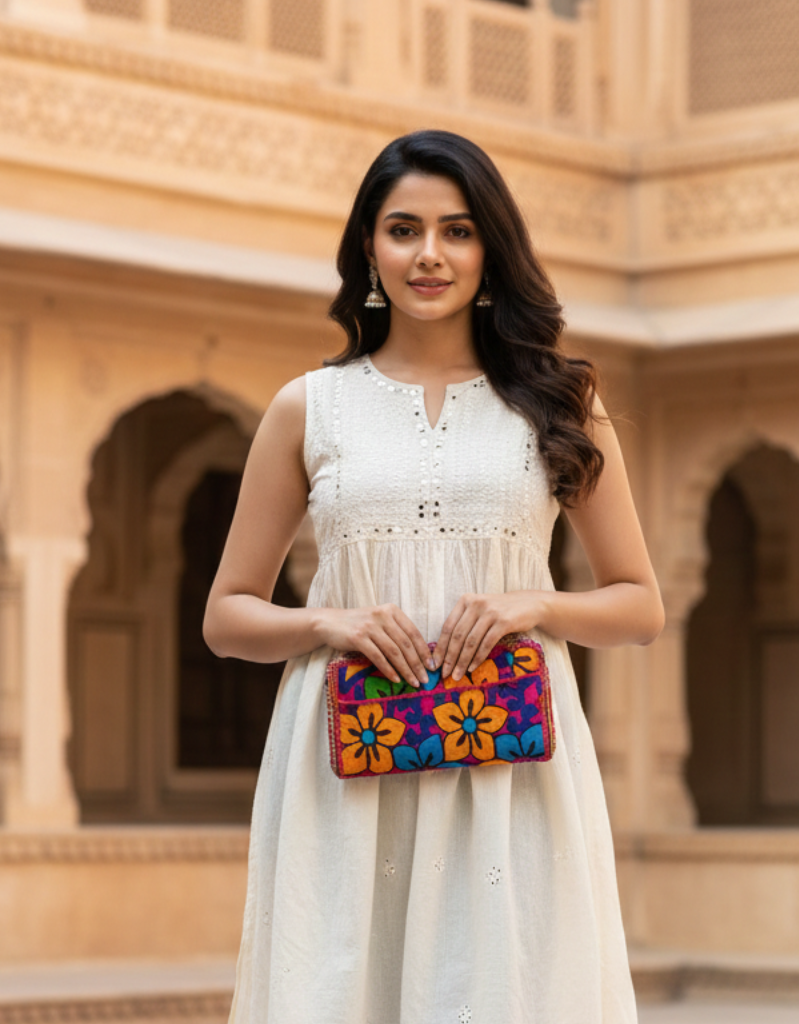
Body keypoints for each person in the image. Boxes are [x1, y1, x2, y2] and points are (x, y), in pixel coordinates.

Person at [204, 129, 664, 1024]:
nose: (429, 255)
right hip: (346, 767)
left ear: (491, 250)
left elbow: (640, 604)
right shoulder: (310, 406)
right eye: (403, 229)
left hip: (510, 769)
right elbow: (227, 616)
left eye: (457, 231)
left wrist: (536, 602)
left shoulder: (560, 402)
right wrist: (323, 624)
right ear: (369, 249)